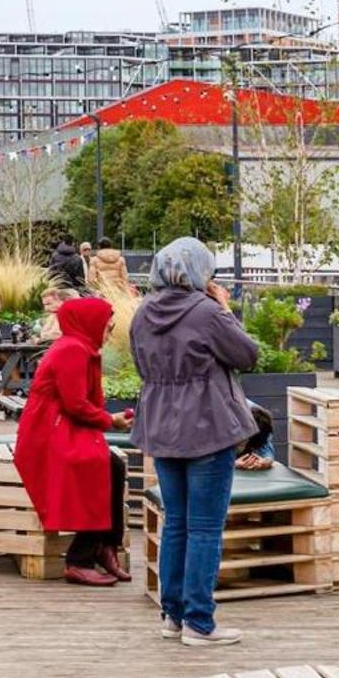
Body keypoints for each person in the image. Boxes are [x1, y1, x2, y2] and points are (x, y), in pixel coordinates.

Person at [129, 238, 260, 647]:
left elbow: (139, 364)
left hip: (161, 424)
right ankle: (199, 623)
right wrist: (225, 309)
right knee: (205, 527)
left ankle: (173, 615)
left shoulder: (143, 312)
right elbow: (248, 355)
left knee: (177, 524)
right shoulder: (206, 313)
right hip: (207, 424)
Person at [15, 296, 133, 587]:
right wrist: (111, 421)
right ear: (90, 324)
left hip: (57, 426)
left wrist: (107, 418)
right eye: (108, 325)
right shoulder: (73, 351)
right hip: (49, 432)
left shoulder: (79, 347)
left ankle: (106, 545)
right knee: (98, 465)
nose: (109, 331)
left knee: (112, 464)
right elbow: (75, 404)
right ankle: (78, 560)